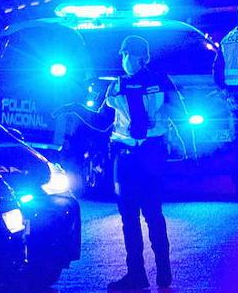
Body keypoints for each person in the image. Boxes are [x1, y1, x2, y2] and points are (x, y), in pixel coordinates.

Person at [62, 35, 185, 289]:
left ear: (143, 57)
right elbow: (102, 121)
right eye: (124, 55)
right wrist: (74, 108)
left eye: (129, 55)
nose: (125, 60)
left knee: (147, 214)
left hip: (139, 157)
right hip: (136, 157)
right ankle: (143, 274)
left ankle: (158, 273)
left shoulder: (136, 85)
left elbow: (177, 113)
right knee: (134, 217)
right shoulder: (138, 84)